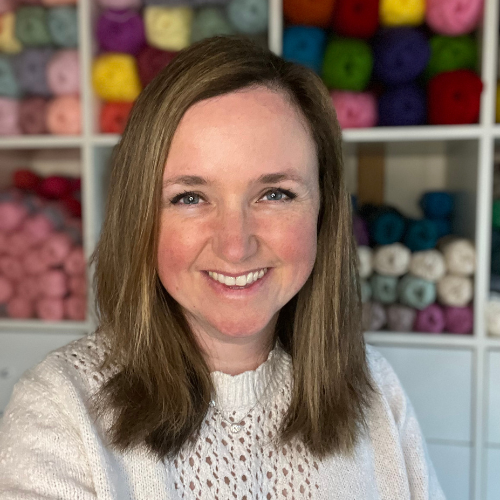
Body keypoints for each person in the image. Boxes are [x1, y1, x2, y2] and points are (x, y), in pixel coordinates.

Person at [0, 36, 445, 499]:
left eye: (275, 194)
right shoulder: (60, 411)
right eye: (190, 198)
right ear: (141, 218)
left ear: (323, 209)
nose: (236, 246)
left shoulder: (375, 389)